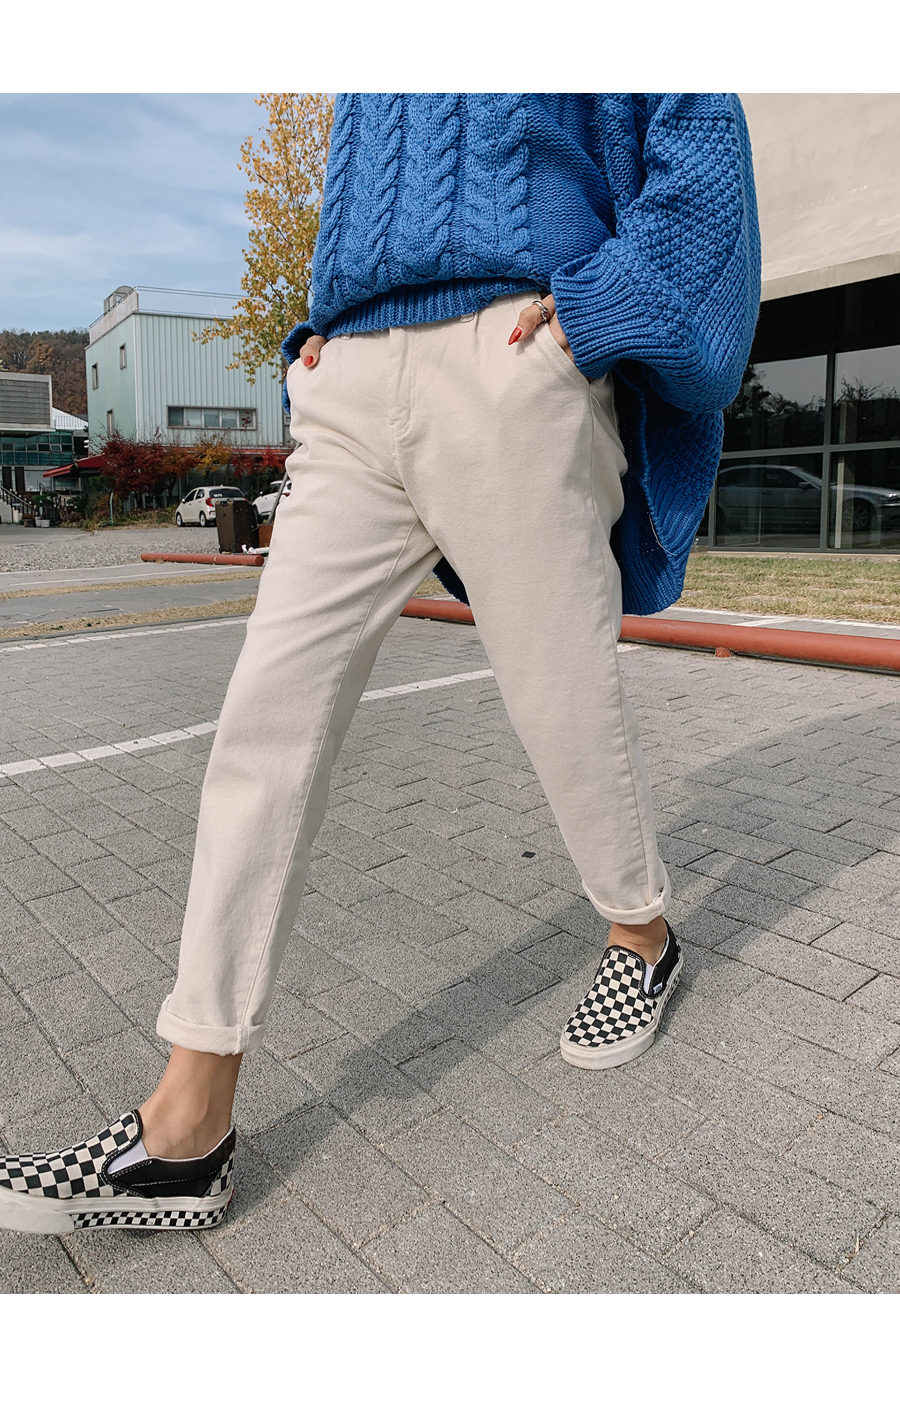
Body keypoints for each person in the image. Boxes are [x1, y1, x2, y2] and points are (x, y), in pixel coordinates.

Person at [0, 93, 760, 1236]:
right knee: (263, 720)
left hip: (515, 349)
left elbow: (697, 130)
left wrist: (596, 311)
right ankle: (188, 1123)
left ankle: (640, 930)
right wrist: (322, 332)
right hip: (349, 379)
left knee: (557, 696)